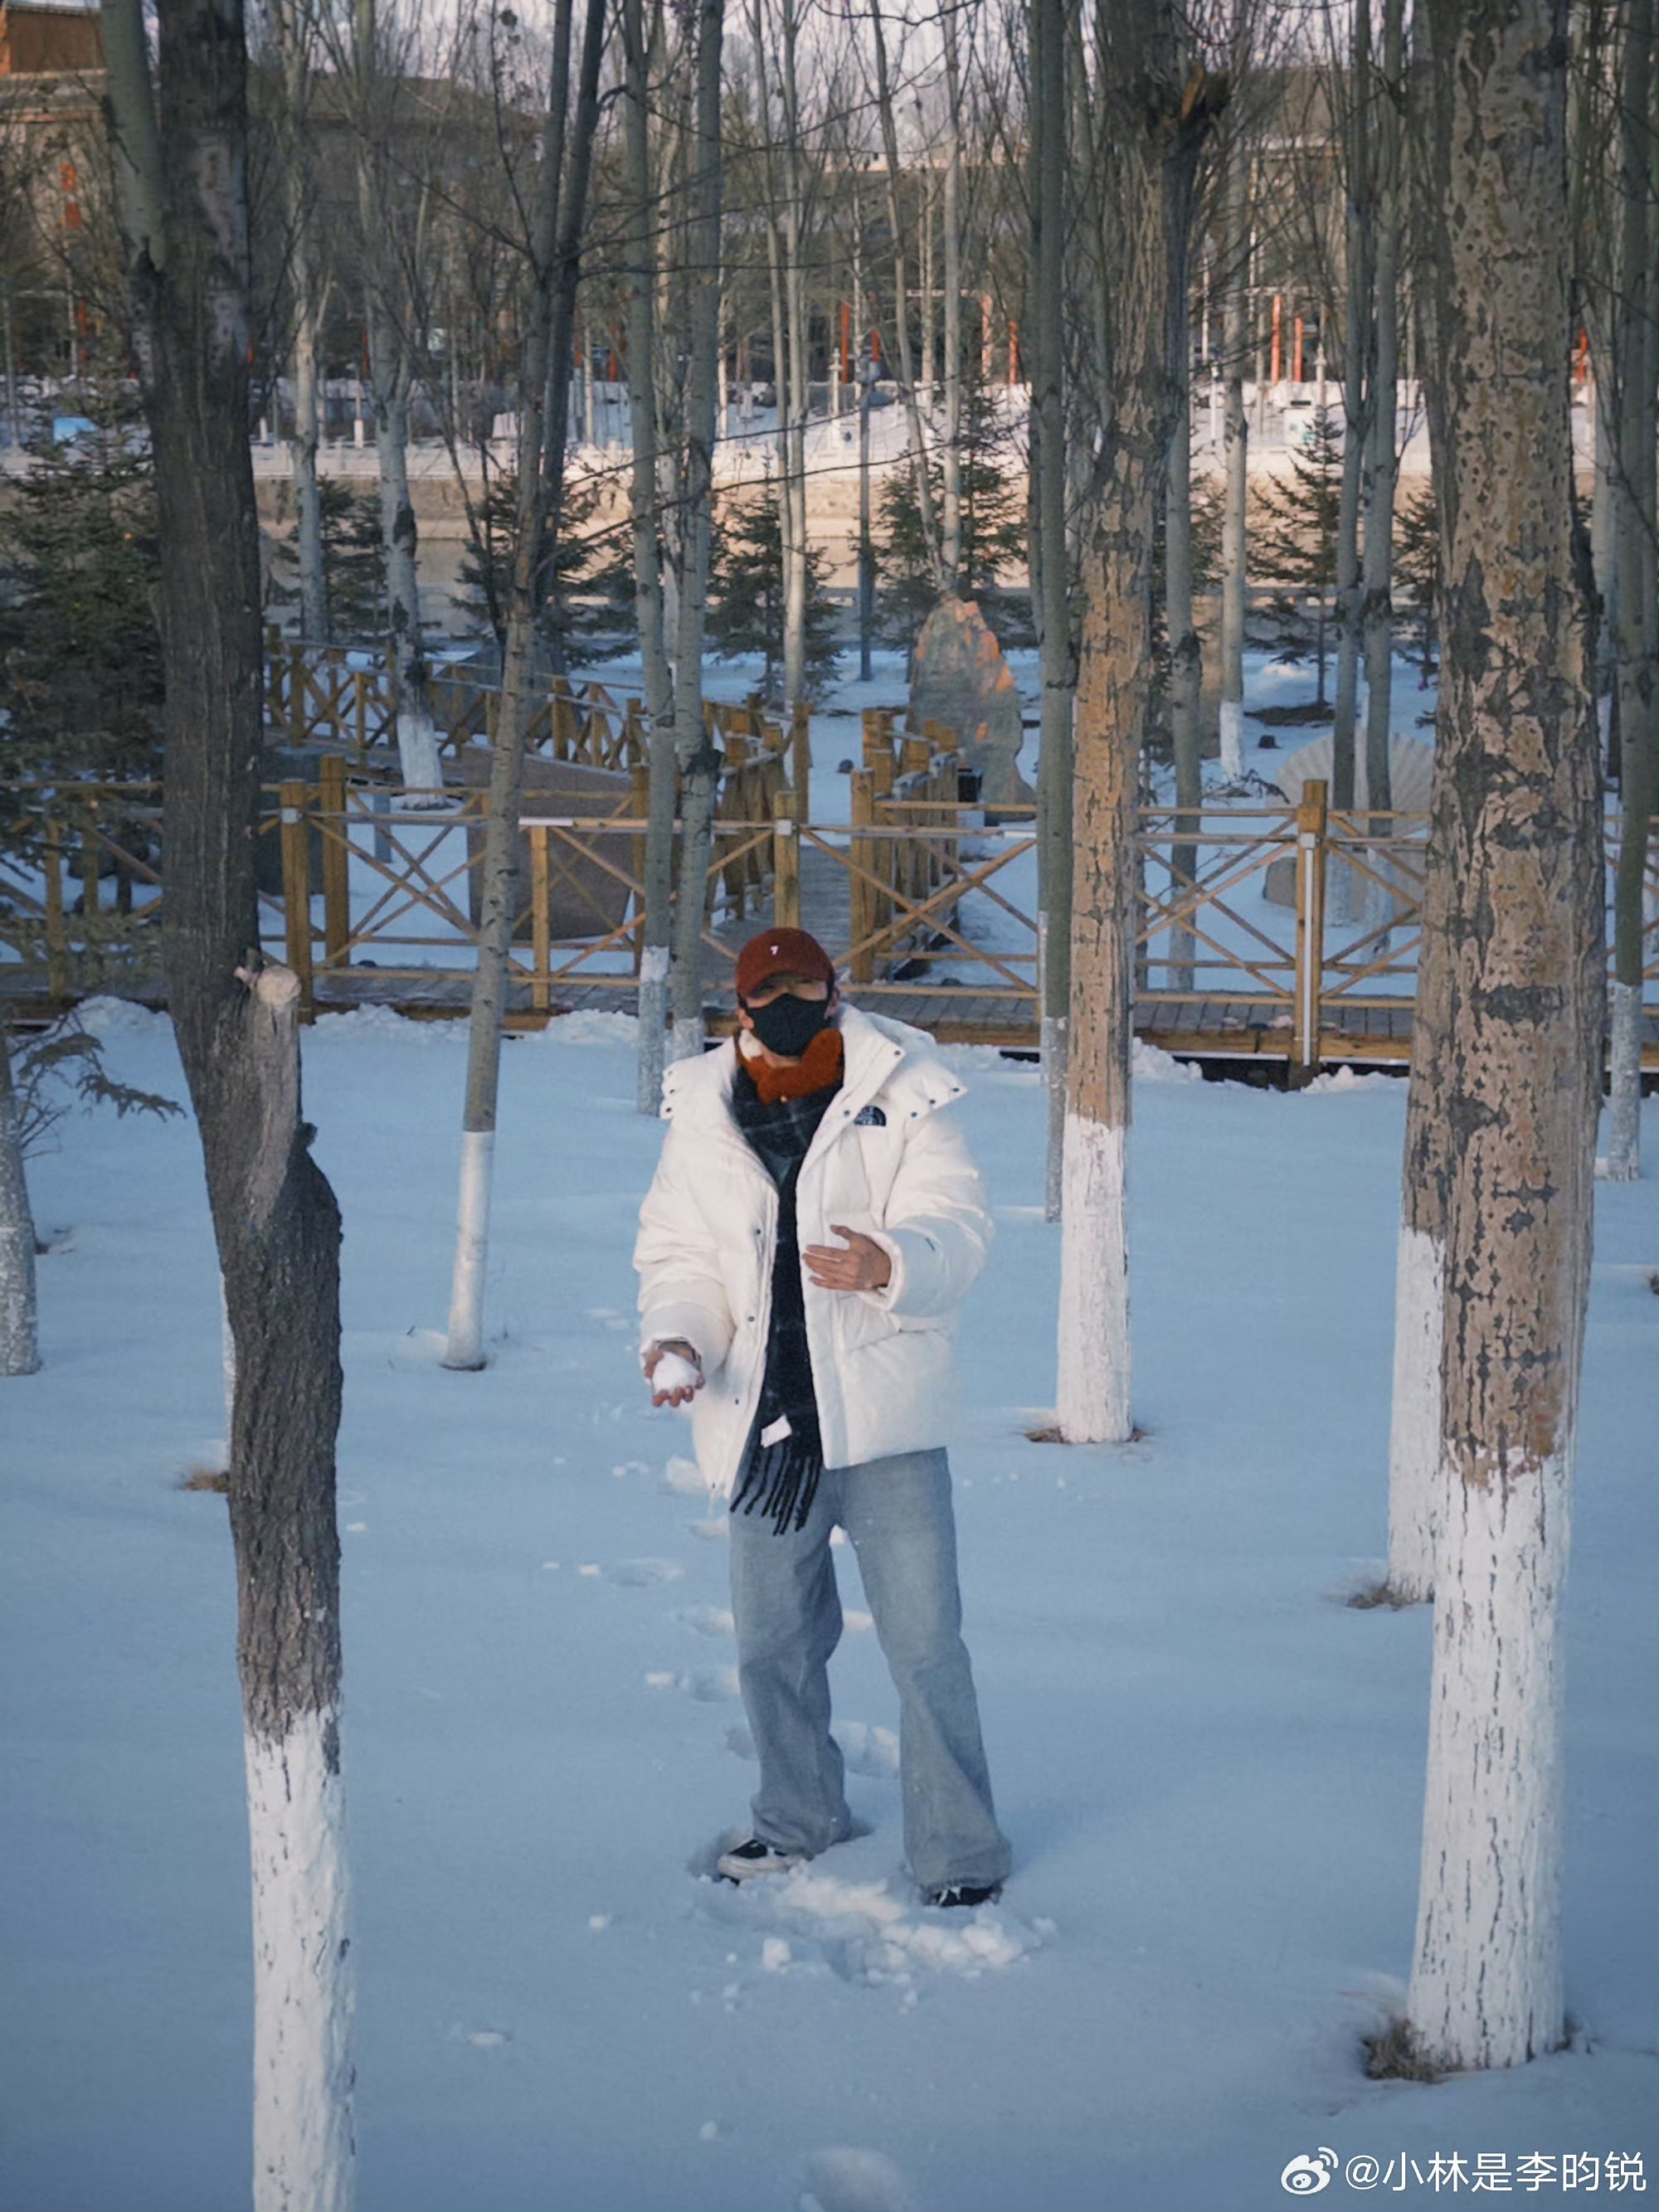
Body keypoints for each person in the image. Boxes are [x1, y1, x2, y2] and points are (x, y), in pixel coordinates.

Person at [634, 926, 1010, 1908]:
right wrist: (676, 1341)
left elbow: (960, 1227)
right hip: (764, 1429)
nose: (789, 1000)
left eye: (805, 981)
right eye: (771, 989)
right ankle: (797, 1819)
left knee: (927, 1650)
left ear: (834, 988)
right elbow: (678, 1255)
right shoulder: (703, 1111)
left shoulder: (906, 1092)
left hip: (886, 1424)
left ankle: (957, 1854)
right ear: (741, 1002)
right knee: (770, 1646)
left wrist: (891, 1262)